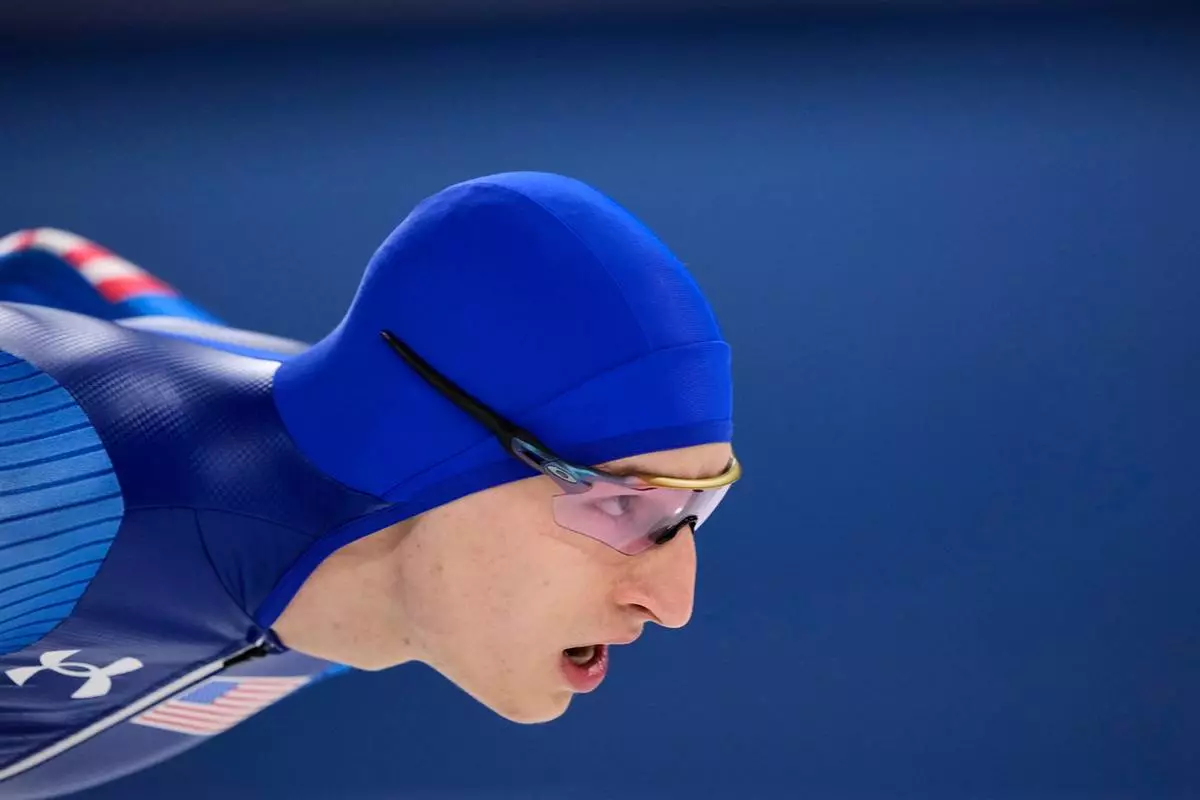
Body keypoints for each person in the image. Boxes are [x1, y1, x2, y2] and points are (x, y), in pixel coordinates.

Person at [0, 172, 740, 799]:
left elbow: (58, 267)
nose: (674, 605)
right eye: (623, 503)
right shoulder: (53, 462)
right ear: (431, 453)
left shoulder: (385, 589)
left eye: (696, 509)